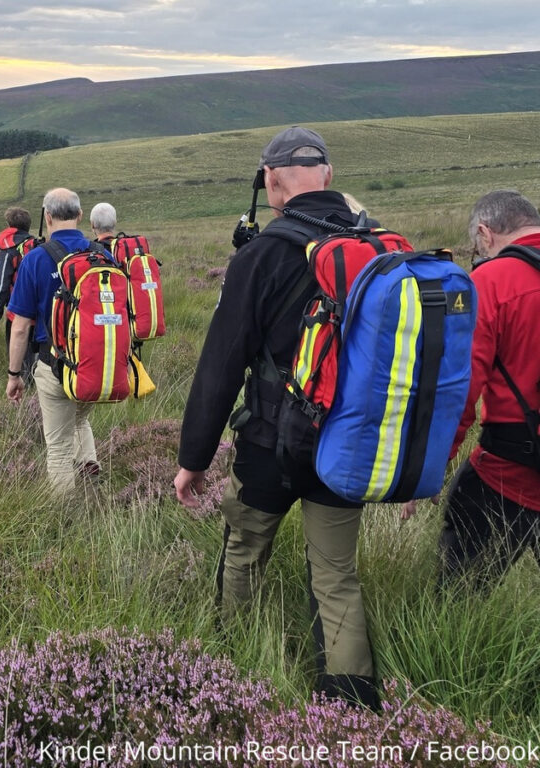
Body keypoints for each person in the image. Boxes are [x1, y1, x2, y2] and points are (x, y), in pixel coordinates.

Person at [174, 127, 379, 710]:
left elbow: (220, 366)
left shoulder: (261, 255)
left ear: (270, 182)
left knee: (243, 552)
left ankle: (234, 670)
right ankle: (351, 714)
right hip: (349, 449)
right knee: (337, 577)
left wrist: (193, 459)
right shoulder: (379, 250)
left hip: (270, 445)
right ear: (330, 177)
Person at [403, 190, 540, 592]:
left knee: (459, 592)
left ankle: (450, 648)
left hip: (512, 470)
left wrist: (429, 467)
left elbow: (458, 390)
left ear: (485, 233)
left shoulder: (489, 282)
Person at [6, 188, 104, 494]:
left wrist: (13, 375)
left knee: (58, 447)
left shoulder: (35, 260)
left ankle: (65, 521)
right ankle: (90, 472)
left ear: (47, 217)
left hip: (54, 365)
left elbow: (20, 327)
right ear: (79, 215)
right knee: (79, 420)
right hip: (96, 363)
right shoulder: (102, 254)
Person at [0, 206, 38, 379]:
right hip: (41, 310)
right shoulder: (38, 246)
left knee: (19, 353)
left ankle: (23, 390)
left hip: (17, 312)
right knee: (38, 352)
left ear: (9, 225)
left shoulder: (9, 249)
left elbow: (2, 283)